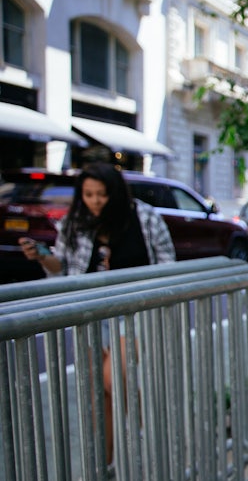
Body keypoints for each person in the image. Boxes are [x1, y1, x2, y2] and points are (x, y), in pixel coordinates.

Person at [20, 162, 175, 464]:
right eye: (88, 194)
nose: (94, 201)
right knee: (97, 394)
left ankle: (151, 433)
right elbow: (62, 268)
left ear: (115, 193)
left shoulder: (143, 216)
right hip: (91, 313)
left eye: (102, 194)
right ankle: (102, 465)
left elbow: (169, 262)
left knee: (112, 377)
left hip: (134, 311)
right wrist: (42, 256)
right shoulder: (74, 222)